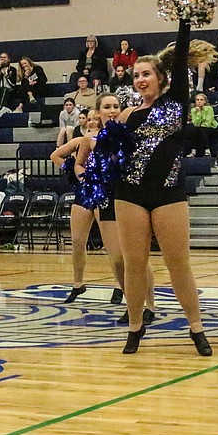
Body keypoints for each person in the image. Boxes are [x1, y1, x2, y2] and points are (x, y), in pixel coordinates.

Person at [114, 16, 214, 356]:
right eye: (136, 75)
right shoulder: (126, 115)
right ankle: (135, 326)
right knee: (135, 262)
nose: (140, 79)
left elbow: (183, 49)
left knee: (177, 263)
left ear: (161, 78)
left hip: (169, 192)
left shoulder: (176, 104)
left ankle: (196, 327)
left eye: (146, 74)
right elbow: (111, 153)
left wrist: (184, 21)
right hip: (129, 193)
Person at [78, 93, 157, 322]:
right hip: (105, 199)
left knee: (138, 257)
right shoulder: (91, 138)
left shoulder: (129, 134)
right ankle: (132, 302)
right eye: (107, 107)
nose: (112, 110)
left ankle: (149, 305)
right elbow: (79, 164)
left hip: (129, 196)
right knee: (117, 259)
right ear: (98, 112)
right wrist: (86, 179)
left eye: (115, 106)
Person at [50, 109, 103, 303]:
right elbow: (55, 155)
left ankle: (118, 286)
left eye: (95, 119)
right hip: (83, 192)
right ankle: (78, 283)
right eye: (89, 119)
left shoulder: (109, 139)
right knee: (78, 241)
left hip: (103, 192)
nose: (92, 122)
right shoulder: (81, 140)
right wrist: (71, 170)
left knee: (113, 244)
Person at [188, 92, 218, 157]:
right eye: (197, 100)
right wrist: (199, 112)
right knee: (194, 130)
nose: (199, 102)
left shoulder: (209, 109)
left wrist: (199, 125)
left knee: (199, 130)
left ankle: (198, 151)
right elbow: (196, 123)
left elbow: (208, 123)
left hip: (212, 128)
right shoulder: (193, 110)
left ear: (205, 101)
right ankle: (203, 151)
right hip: (200, 129)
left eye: (201, 100)